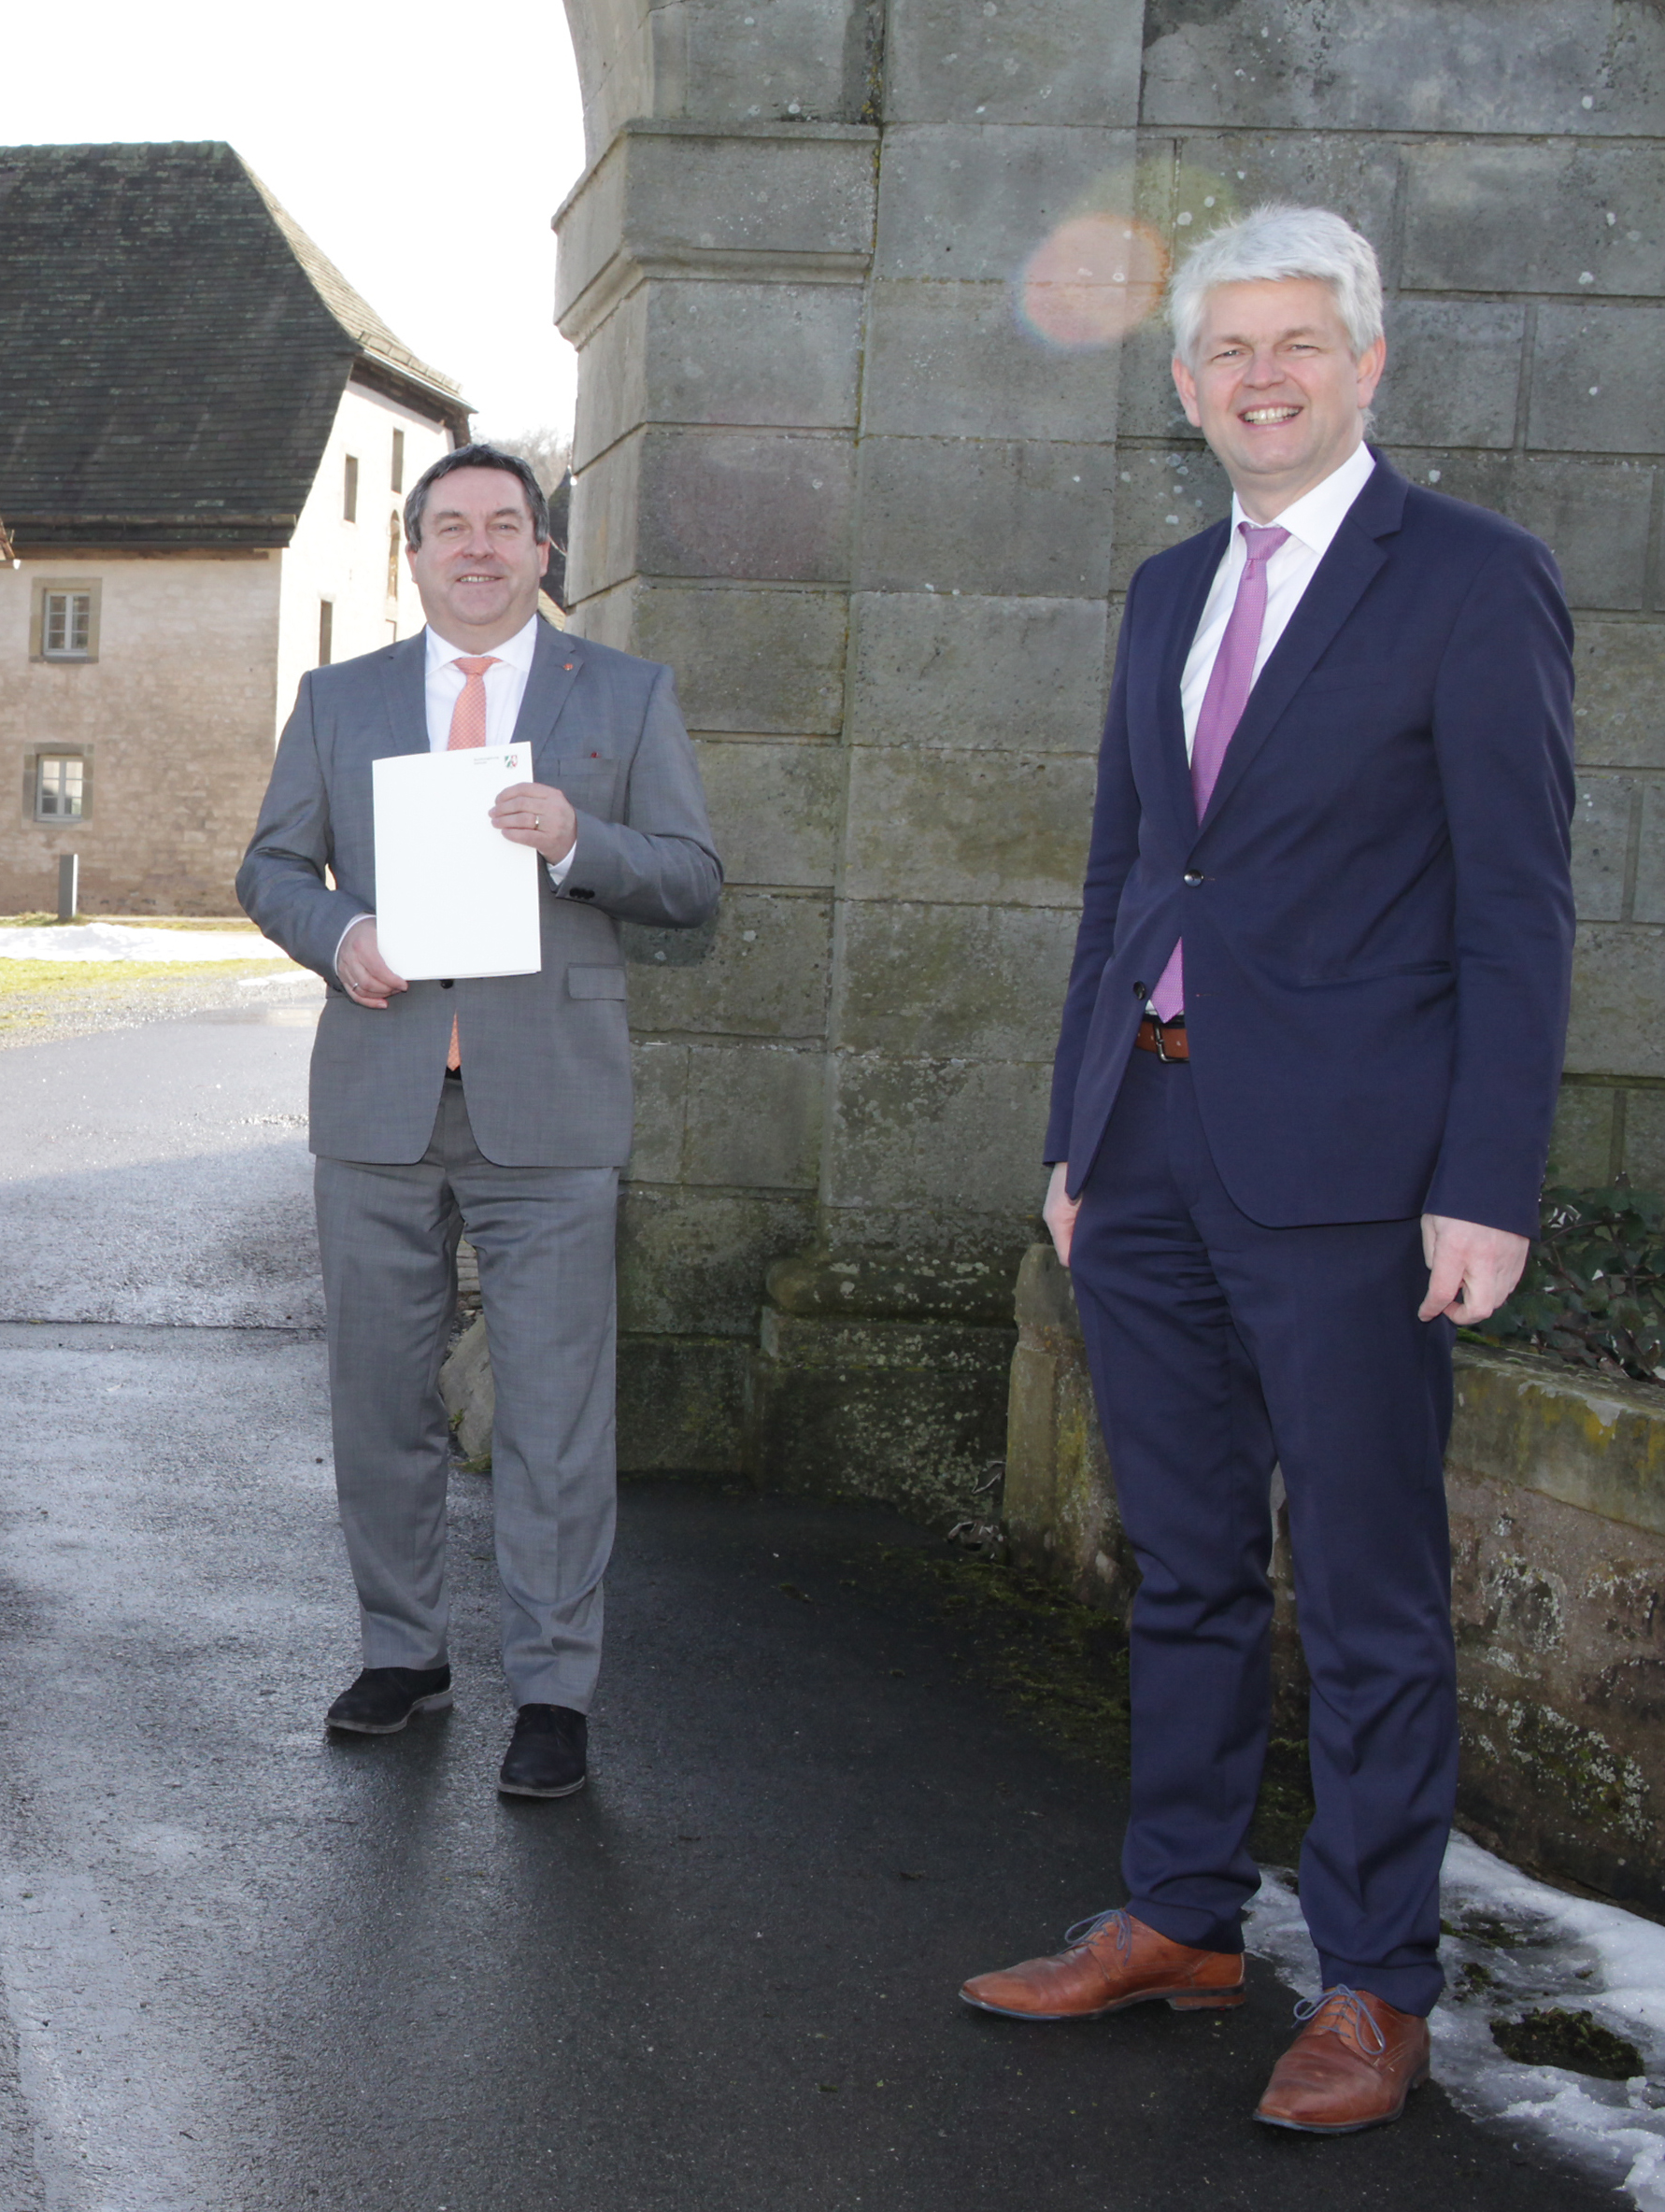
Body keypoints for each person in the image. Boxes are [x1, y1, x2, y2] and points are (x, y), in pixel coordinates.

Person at [962, 206, 1575, 2134]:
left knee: (1371, 1591)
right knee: (1187, 1562)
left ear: (1368, 362)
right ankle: (1183, 1914)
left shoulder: (1473, 578)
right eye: (1228, 348)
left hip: (1355, 1175)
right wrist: (1075, 1135)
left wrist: (1488, 1182)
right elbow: (1126, 875)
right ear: (1183, 384)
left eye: (1300, 341)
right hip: (1145, 1152)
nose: (1263, 374)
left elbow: (1520, 907)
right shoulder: (1168, 590)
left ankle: (1380, 1984)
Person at [236, 444, 720, 1799]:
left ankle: (553, 1692)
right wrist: (340, 934)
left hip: (551, 1107)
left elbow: (692, 879)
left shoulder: (623, 693)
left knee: (554, 1416)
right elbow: (270, 866)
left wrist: (577, 840)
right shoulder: (340, 698)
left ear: (542, 552)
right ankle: (403, 1653)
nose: (479, 548)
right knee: (376, 1400)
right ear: (415, 555)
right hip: (379, 1099)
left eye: (506, 525)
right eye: (451, 526)